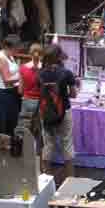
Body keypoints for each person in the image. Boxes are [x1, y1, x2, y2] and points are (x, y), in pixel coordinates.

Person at [38, 44, 78, 181]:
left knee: (48, 144)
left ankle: (45, 179)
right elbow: (73, 95)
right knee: (67, 143)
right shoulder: (66, 73)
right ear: (59, 57)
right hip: (64, 111)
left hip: (46, 113)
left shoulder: (40, 73)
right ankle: (70, 179)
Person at [0, 36, 22, 136]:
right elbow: (6, 79)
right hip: (5, 93)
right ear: (8, 47)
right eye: (16, 48)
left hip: (12, 91)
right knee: (5, 121)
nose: (17, 51)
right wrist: (22, 77)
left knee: (12, 120)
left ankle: (11, 139)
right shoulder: (2, 59)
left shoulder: (10, 55)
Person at [19, 42, 43, 125]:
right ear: (41, 54)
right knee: (40, 127)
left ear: (30, 53)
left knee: (25, 126)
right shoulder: (44, 69)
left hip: (27, 100)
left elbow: (20, 90)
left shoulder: (23, 68)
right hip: (41, 102)